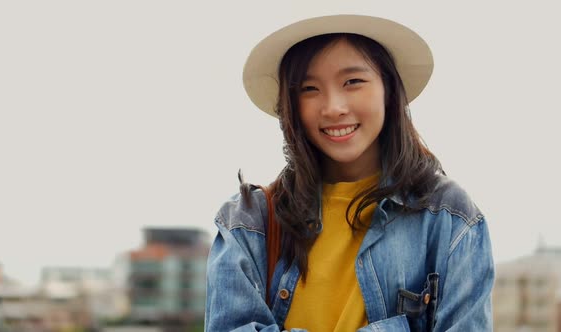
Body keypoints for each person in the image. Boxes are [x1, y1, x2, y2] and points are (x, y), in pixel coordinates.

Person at [205, 14, 494, 332]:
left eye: (352, 81)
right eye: (309, 88)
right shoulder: (248, 221)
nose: (333, 107)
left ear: (388, 88)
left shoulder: (449, 218)